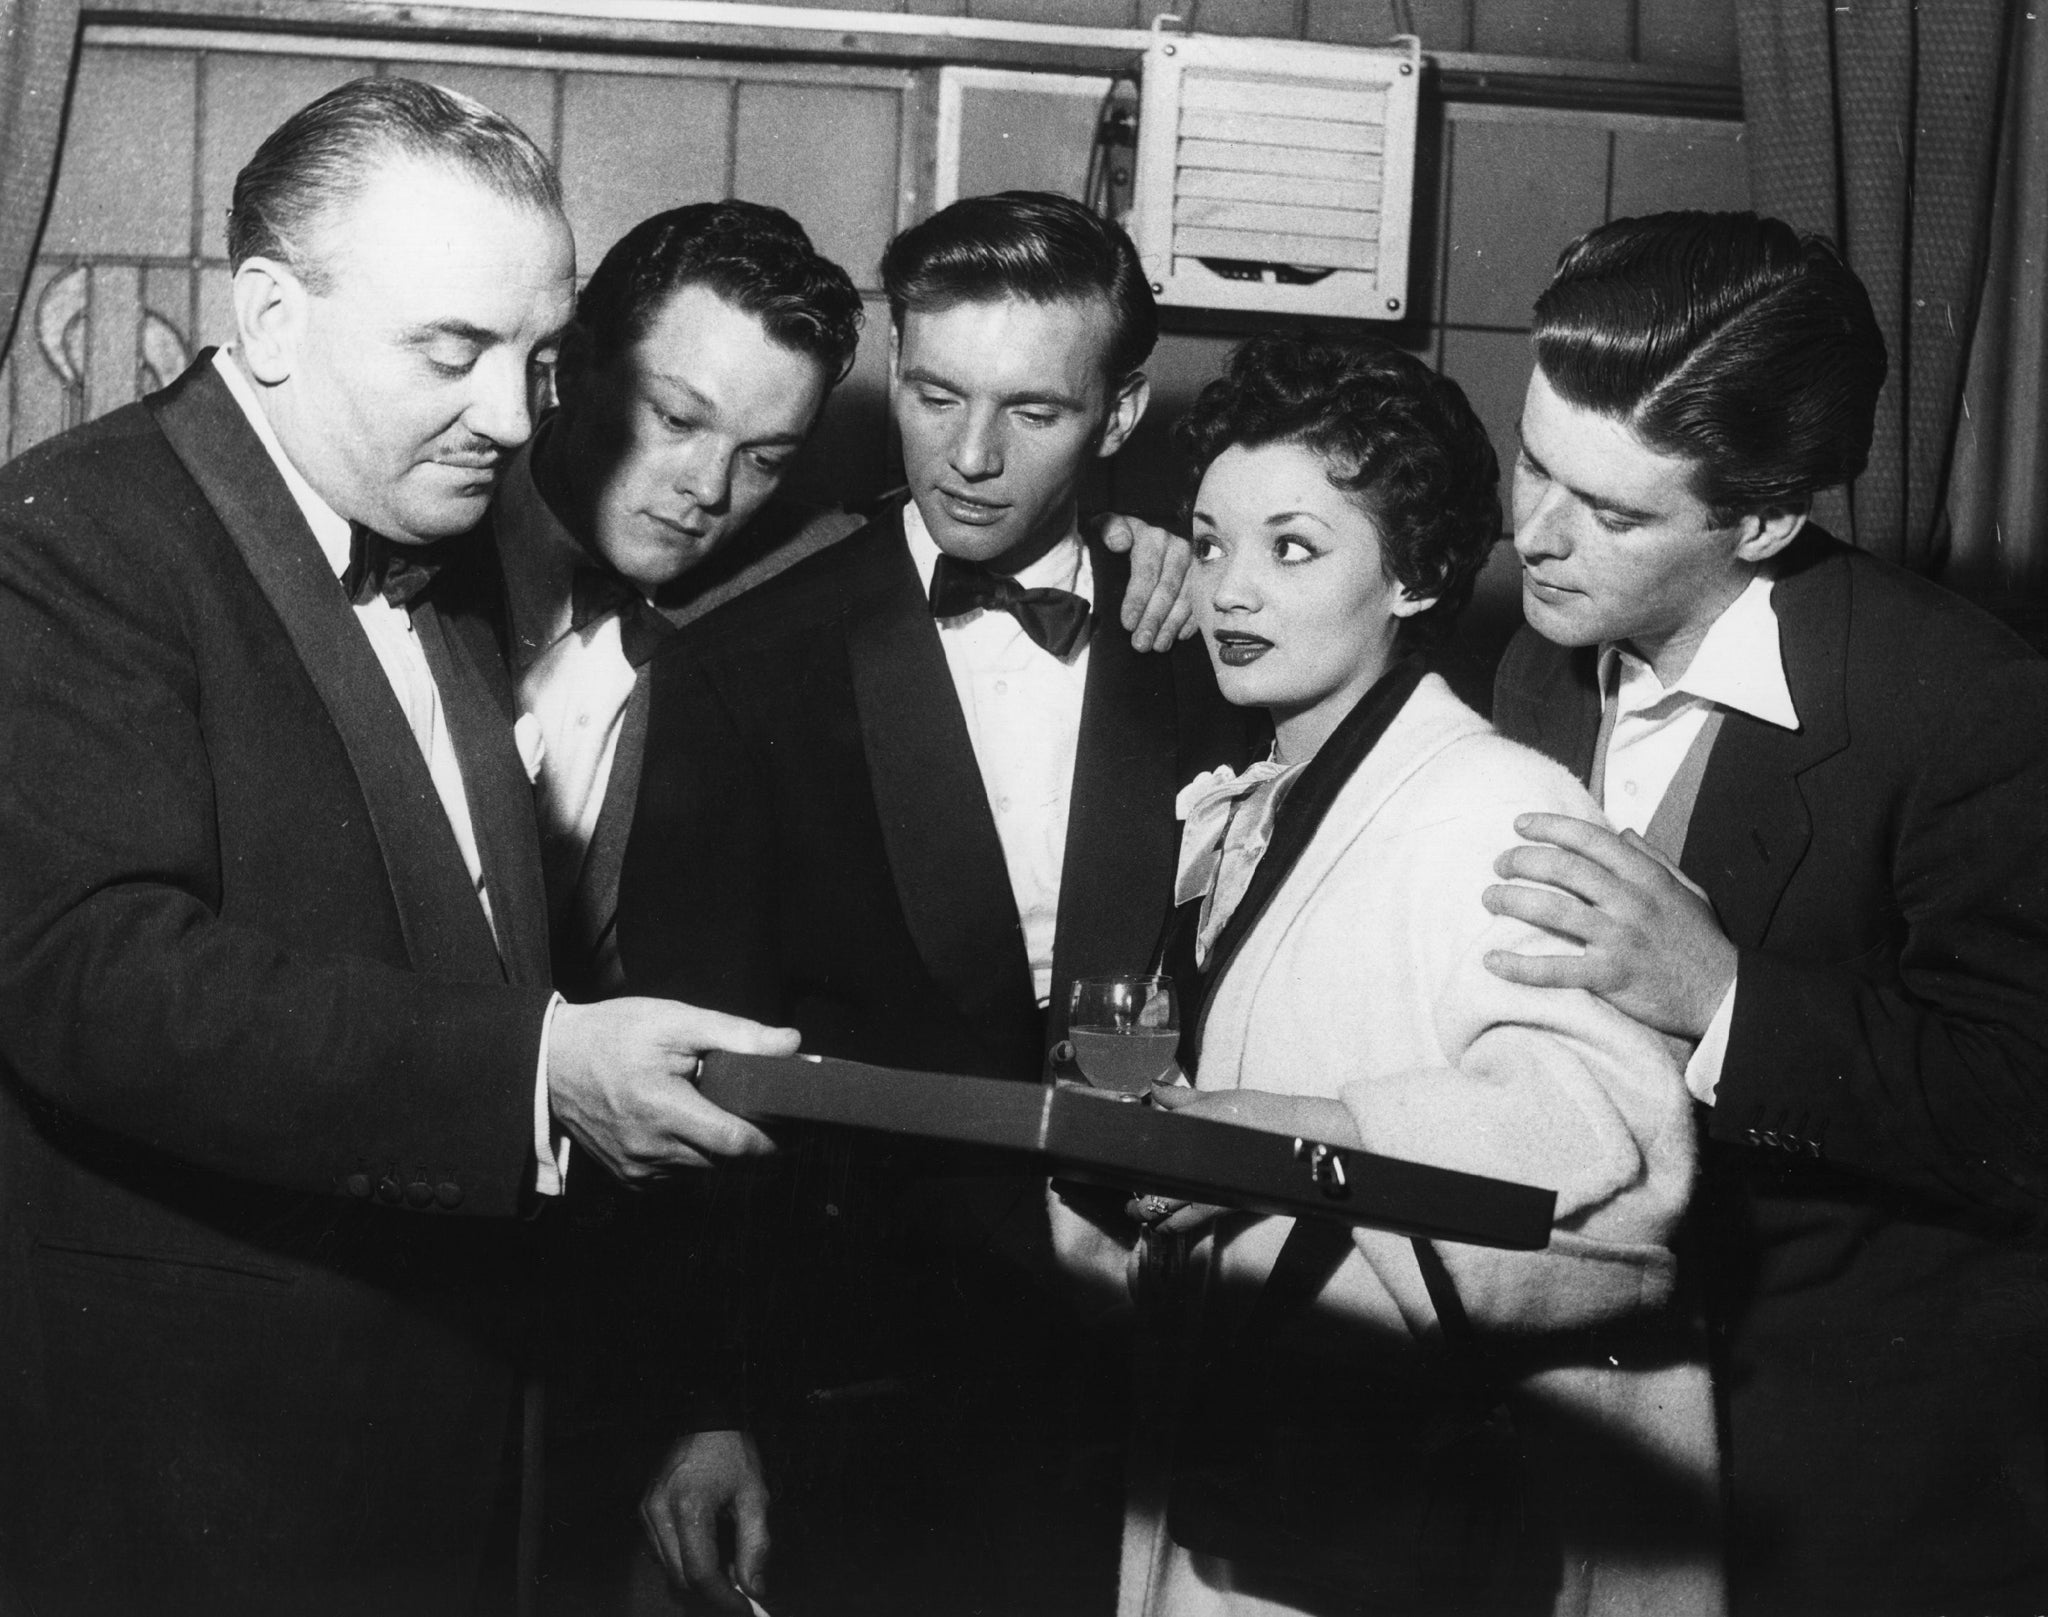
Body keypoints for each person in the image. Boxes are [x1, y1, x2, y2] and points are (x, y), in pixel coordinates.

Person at [0, 78, 798, 1616]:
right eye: (453, 351)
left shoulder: (436, 534)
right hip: (200, 1462)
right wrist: (535, 1073)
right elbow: (88, 973)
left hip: (446, 1434)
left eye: (537, 358)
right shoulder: (68, 540)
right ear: (272, 318)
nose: (513, 417)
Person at [618, 191, 1256, 1615]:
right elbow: (683, 1076)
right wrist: (702, 1406)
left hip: (1165, 1385)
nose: (970, 458)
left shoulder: (1212, 646)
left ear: (1121, 410)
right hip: (862, 1387)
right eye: (934, 395)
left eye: (1033, 410)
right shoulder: (740, 667)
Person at [1050, 332, 1718, 1617]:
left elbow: (1612, 1143)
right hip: (1253, 1458)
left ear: (1412, 575)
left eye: (1291, 549)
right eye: (1211, 544)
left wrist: (1305, 1136)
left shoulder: (1495, 806)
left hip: (1398, 1499)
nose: (1230, 592)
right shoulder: (1246, 803)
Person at [1483, 211, 2048, 1614]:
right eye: (1534, 463)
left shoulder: (1967, 706)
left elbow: (2023, 1107)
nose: (1535, 535)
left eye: (1612, 513)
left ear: (1765, 518)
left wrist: (1721, 997)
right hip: (1572, 1440)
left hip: (1846, 1486)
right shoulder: (1534, 660)